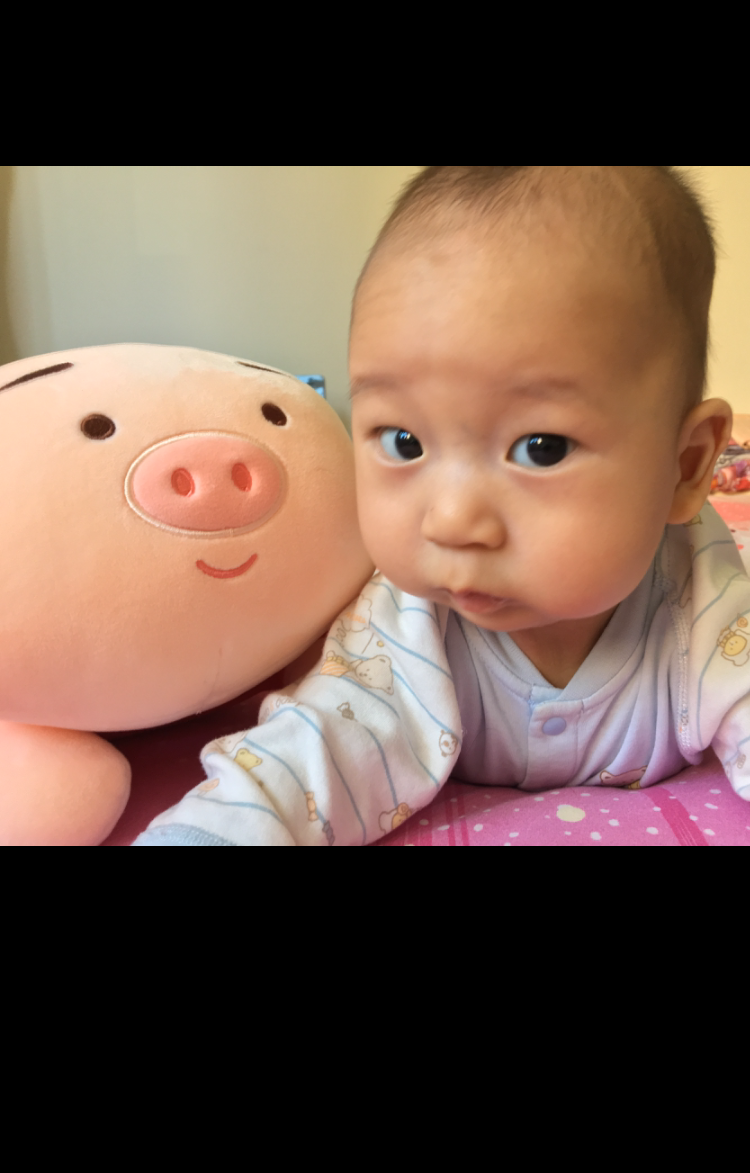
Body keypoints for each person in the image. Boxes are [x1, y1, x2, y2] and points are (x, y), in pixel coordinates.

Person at [135, 166, 750, 846]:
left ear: (685, 466)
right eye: (404, 441)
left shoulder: (706, 599)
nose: (451, 521)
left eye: (541, 448)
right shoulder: (403, 626)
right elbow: (314, 750)